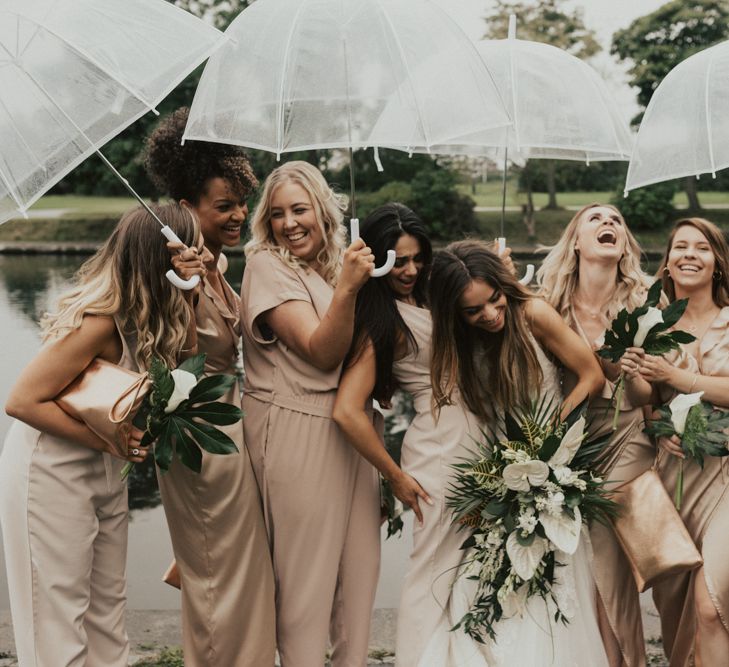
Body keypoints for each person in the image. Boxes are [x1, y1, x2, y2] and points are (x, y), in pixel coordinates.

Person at [0, 203, 203, 667]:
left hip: (108, 467)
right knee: (57, 613)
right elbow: (22, 401)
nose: (201, 256)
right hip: (50, 471)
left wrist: (190, 293)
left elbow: (192, 358)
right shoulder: (99, 321)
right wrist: (111, 442)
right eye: (192, 249)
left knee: (108, 608)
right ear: (162, 257)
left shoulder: (158, 316)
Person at [333, 204, 516, 666]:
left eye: (419, 258)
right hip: (438, 450)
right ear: (376, 259)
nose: (411, 269)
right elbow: (347, 412)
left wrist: (501, 278)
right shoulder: (380, 321)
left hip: (483, 436)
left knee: (479, 563)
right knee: (432, 569)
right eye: (398, 260)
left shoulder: (435, 295)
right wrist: (393, 476)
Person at [426, 239, 607, 666]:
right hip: (503, 473)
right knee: (487, 579)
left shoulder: (533, 314)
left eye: (494, 299)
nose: (489, 315)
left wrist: (549, 441)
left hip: (553, 465)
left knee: (551, 578)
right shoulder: (461, 342)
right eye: (473, 311)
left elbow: (590, 376)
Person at [143, 107, 276, 667]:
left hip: (230, 431)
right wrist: (188, 293)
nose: (240, 214)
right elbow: (166, 359)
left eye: (241, 202)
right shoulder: (171, 269)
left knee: (242, 573)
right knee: (221, 577)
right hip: (200, 437)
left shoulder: (216, 264)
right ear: (187, 208)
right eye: (225, 206)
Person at [240, 160, 380, 667]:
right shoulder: (266, 266)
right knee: (305, 589)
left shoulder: (344, 264)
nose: (289, 223)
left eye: (299, 209)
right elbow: (321, 352)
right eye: (277, 214)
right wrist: (347, 289)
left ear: (323, 211)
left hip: (355, 431)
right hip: (297, 428)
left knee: (358, 579)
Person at [537, 203, 655, 666]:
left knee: (609, 563)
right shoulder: (548, 305)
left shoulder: (646, 302)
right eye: (596, 219)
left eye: (617, 221)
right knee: (583, 567)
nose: (609, 224)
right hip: (571, 440)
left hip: (629, 434)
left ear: (622, 244)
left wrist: (626, 366)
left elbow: (651, 392)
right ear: (577, 242)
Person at [628, 218, 729, 667]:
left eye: (702, 248)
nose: (690, 254)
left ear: (718, 263)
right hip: (674, 477)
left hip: (726, 475)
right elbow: (643, 400)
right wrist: (635, 378)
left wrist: (677, 376)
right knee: (676, 612)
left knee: (712, 604)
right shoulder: (651, 324)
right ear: (667, 263)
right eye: (680, 247)